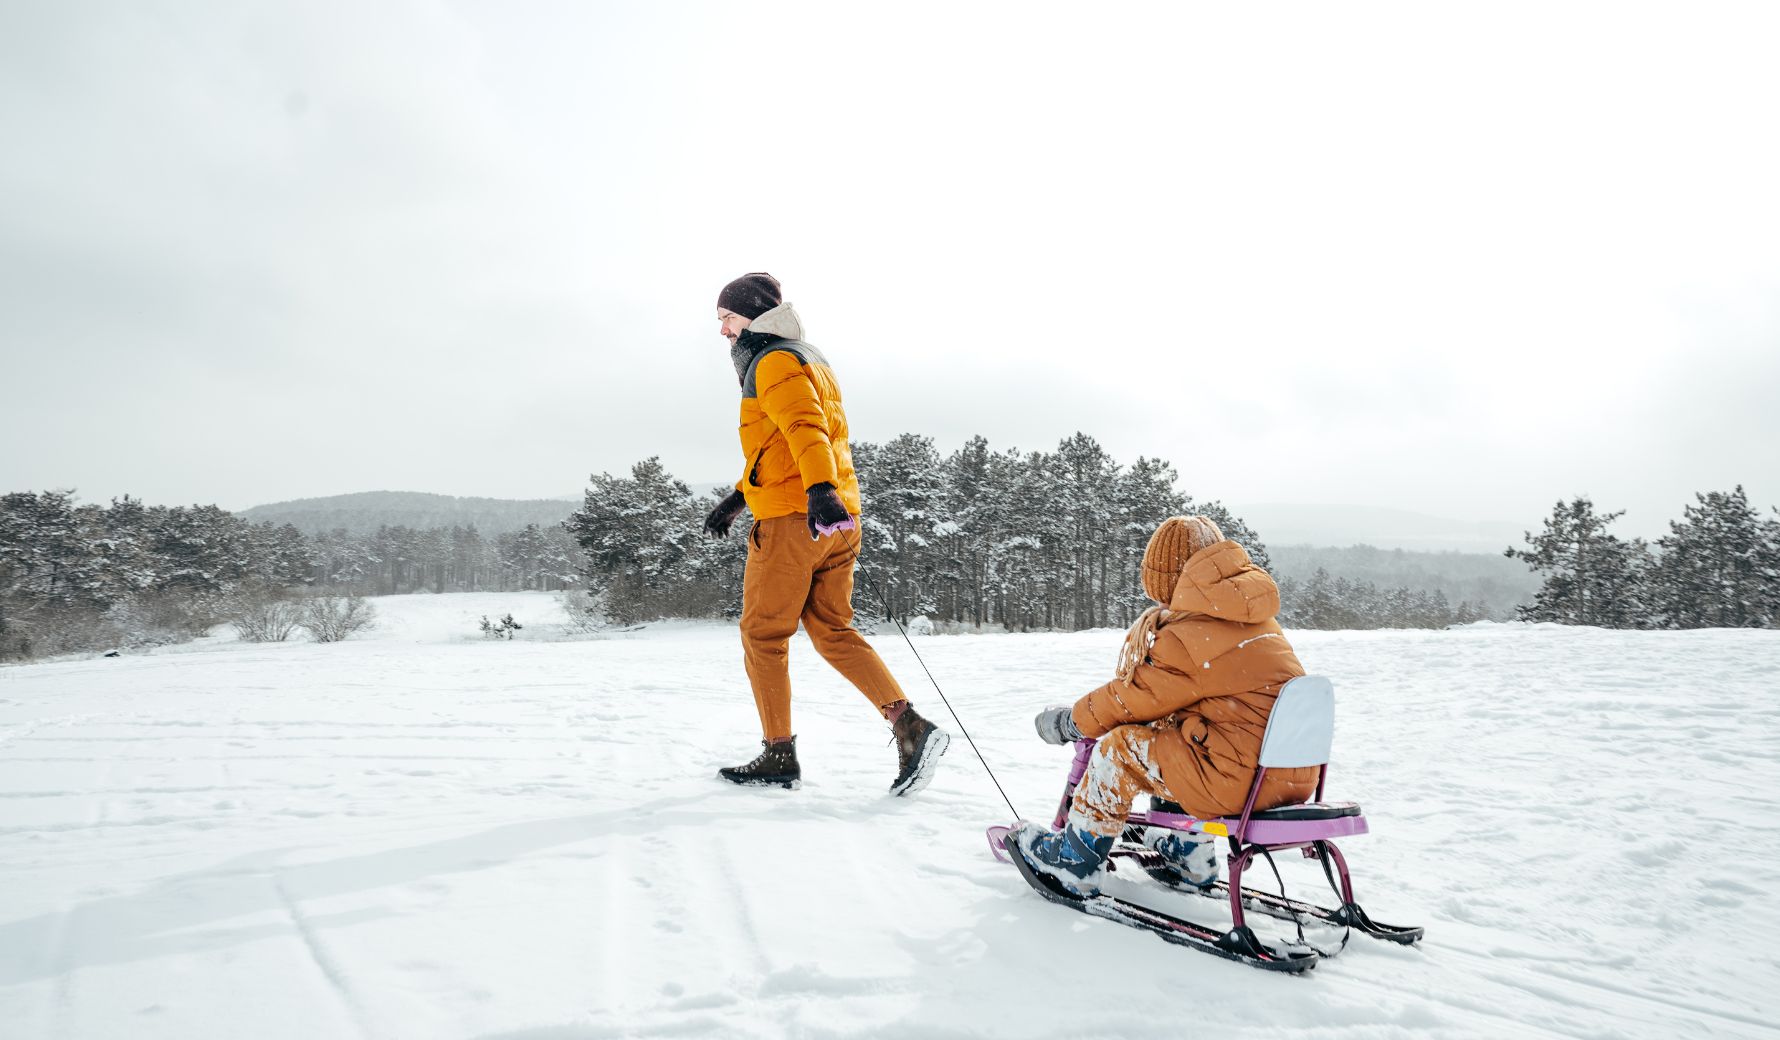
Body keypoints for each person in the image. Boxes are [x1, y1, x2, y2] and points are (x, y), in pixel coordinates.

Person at [702, 272, 949, 795]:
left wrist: (816, 491)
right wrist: (739, 497)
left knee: (763, 636)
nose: (723, 331)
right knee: (832, 631)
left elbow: (805, 431)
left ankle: (778, 755)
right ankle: (910, 727)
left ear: (750, 316)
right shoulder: (807, 355)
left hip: (798, 520)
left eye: (726, 318)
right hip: (838, 521)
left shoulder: (770, 361)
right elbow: (782, 446)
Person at [1010, 515, 1319, 895]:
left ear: (1166, 579)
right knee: (1176, 733)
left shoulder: (1193, 635)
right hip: (1287, 777)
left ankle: (1075, 858)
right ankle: (1187, 851)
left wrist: (1071, 722)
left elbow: (1132, 699)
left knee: (1118, 751)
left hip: (1238, 781)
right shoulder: (1255, 620)